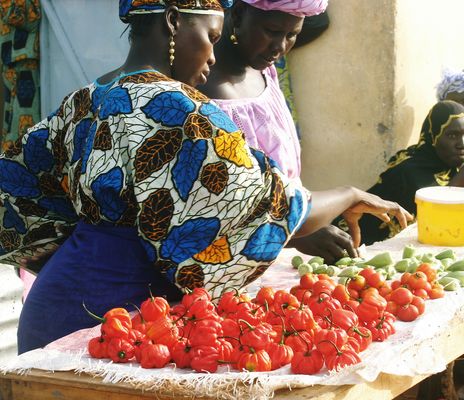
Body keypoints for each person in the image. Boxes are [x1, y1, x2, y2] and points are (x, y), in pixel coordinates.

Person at [0, 0, 411, 354]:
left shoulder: (87, 98)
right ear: (174, 21)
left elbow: (19, 188)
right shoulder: (182, 111)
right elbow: (271, 206)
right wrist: (348, 193)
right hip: (119, 324)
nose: (213, 57)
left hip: (54, 308)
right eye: (212, 37)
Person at [200, 0, 358, 263]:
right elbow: (223, 207)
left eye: (291, 35)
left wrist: (301, 226)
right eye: (272, 31)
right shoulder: (205, 91)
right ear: (238, 15)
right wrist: (295, 237)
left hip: (278, 249)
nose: (280, 47)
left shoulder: (265, 72)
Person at [338, 100, 464, 245]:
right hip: (363, 247)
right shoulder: (408, 172)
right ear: (432, 137)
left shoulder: (453, 167)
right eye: (452, 136)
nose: (462, 144)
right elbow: (435, 223)